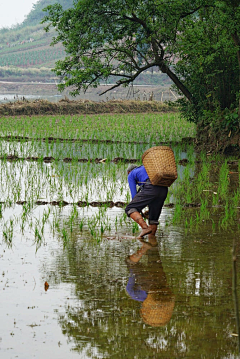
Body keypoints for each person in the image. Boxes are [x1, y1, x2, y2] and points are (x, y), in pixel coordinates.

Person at [125, 164, 168, 238]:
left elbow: (134, 196)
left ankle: (145, 228)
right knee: (153, 219)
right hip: (163, 189)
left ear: (129, 172)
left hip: (151, 187)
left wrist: (138, 209)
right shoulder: (147, 168)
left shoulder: (131, 174)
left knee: (130, 208)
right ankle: (152, 243)